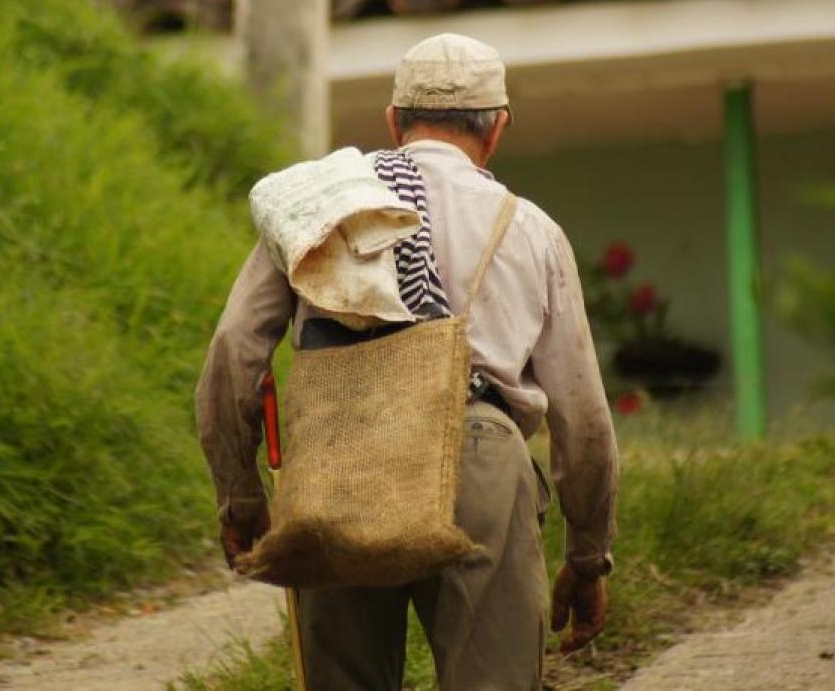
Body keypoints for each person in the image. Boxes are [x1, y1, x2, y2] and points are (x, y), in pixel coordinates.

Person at [195, 33, 619, 690]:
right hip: (482, 458)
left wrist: (241, 497)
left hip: (342, 461)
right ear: (498, 128)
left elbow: (233, 352)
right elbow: (584, 418)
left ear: (393, 122)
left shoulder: (321, 210)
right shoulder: (532, 230)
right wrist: (589, 557)